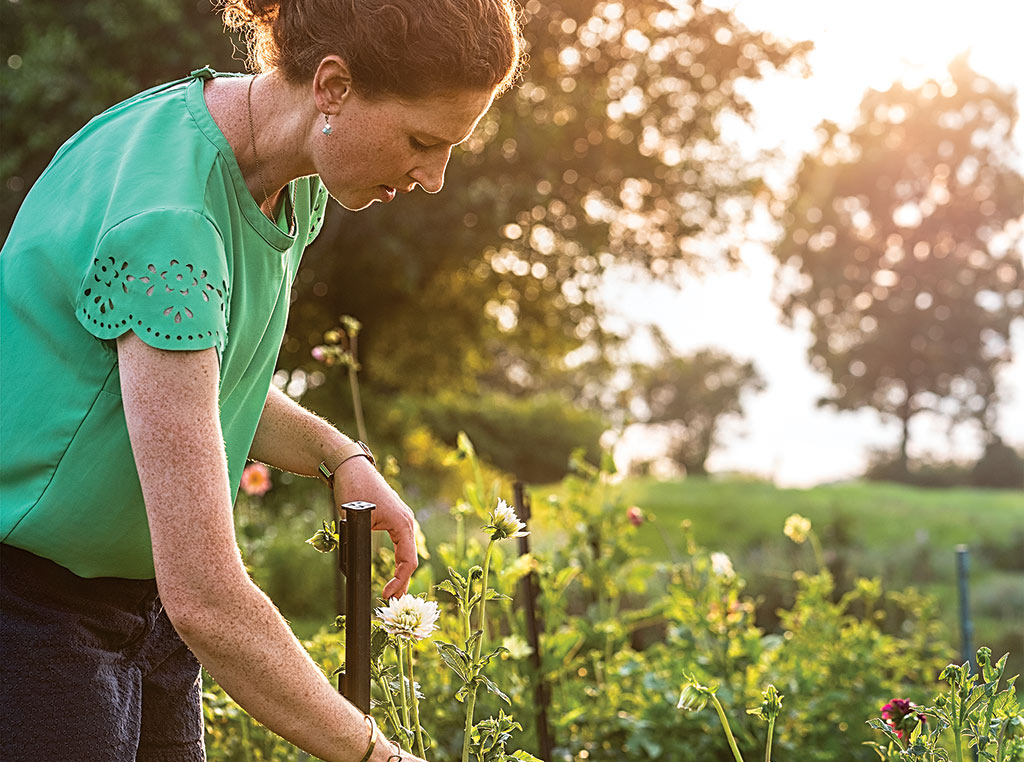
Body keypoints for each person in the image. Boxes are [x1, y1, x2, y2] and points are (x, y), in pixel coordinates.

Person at [0, 1, 523, 759]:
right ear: (333, 87)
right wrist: (380, 755)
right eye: (421, 141)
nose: (434, 178)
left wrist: (339, 455)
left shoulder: (283, 174)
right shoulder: (171, 224)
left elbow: (189, 383)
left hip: (142, 609)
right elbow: (207, 600)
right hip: (34, 614)